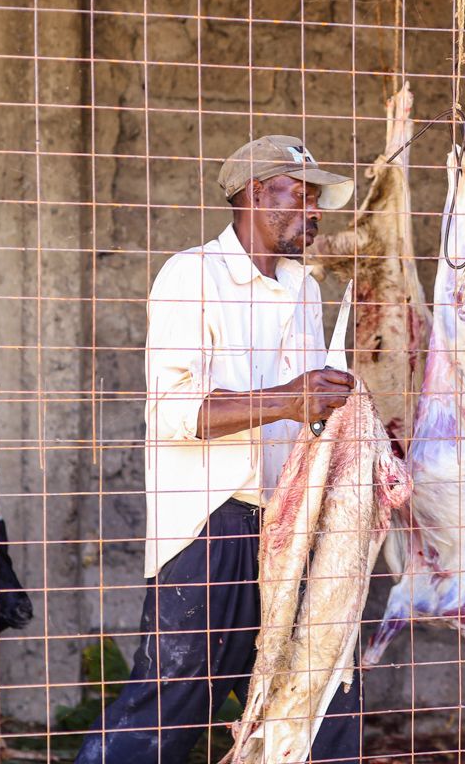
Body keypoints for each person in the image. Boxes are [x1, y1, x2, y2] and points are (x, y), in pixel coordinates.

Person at [75, 135, 362, 764]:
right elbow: (173, 413)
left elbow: (310, 413)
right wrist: (290, 398)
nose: (316, 215)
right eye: (303, 196)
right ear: (258, 193)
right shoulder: (192, 274)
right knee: (166, 713)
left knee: (324, 702)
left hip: (290, 523)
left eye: (319, 201)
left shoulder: (305, 289)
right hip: (211, 525)